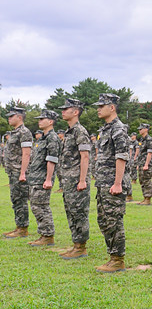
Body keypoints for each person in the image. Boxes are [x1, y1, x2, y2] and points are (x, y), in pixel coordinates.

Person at [92, 93, 132, 273]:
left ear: (112, 107)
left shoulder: (118, 128)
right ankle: (112, 257)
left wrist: (117, 183)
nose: (98, 109)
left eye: (102, 106)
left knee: (114, 220)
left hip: (113, 183)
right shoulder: (105, 129)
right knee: (104, 220)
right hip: (103, 182)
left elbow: (121, 156)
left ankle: (118, 259)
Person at [57, 98, 91, 259]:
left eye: (66, 109)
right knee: (71, 212)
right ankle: (76, 244)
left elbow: (85, 157)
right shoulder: (69, 131)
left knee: (79, 213)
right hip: (69, 181)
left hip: (78, 180)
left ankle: (81, 247)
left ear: (75, 112)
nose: (63, 111)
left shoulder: (80, 131)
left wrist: (82, 180)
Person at [26, 110, 61, 246]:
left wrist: (48, 179)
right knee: (35, 206)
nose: (39, 121)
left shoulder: (52, 138)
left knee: (41, 206)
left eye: (42, 119)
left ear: (50, 122)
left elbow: (52, 159)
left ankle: (48, 236)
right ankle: (43, 234)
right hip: (36, 178)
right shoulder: (42, 138)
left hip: (43, 179)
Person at [3, 107, 32, 239]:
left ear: (19, 117)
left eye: (11, 116)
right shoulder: (15, 132)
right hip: (13, 171)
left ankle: (23, 228)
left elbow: (26, 154)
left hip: (19, 171)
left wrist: (22, 173)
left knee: (20, 200)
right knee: (15, 199)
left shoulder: (24, 132)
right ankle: (19, 226)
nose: (9, 118)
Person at [134, 123, 152, 205]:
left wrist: (146, 164)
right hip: (142, 163)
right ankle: (145, 197)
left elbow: (149, 153)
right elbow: (141, 153)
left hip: (147, 164)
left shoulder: (149, 140)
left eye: (141, 129)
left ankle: (148, 198)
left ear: (146, 129)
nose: (139, 130)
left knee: (147, 180)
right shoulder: (142, 140)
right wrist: (139, 164)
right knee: (142, 180)